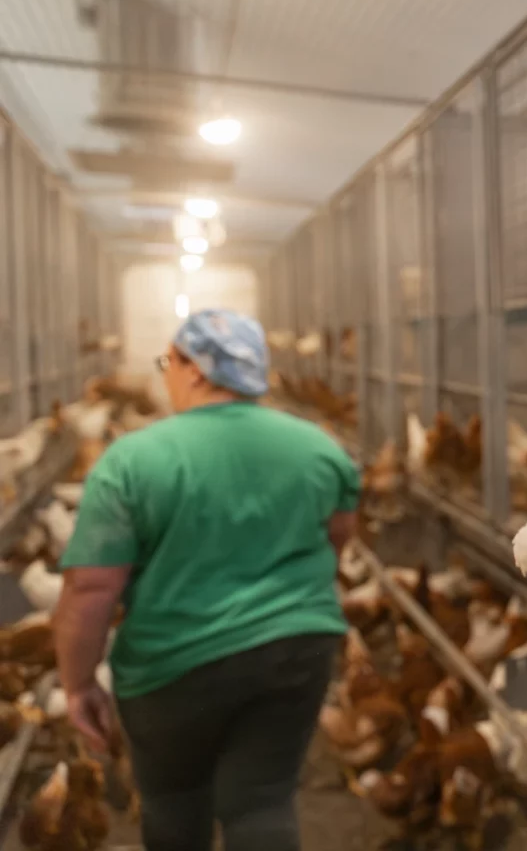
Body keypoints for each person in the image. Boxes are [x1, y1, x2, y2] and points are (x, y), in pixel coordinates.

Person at [54, 309, 360, 851]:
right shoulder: (320, 449)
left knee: (174, 800)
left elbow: (91, 587)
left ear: (194, 369)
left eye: (167, 362)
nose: (165, 374)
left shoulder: (132, 460)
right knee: (262, 800)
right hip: (295, 652)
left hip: (173, 664)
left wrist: (78, 685)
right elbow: (336, 538)